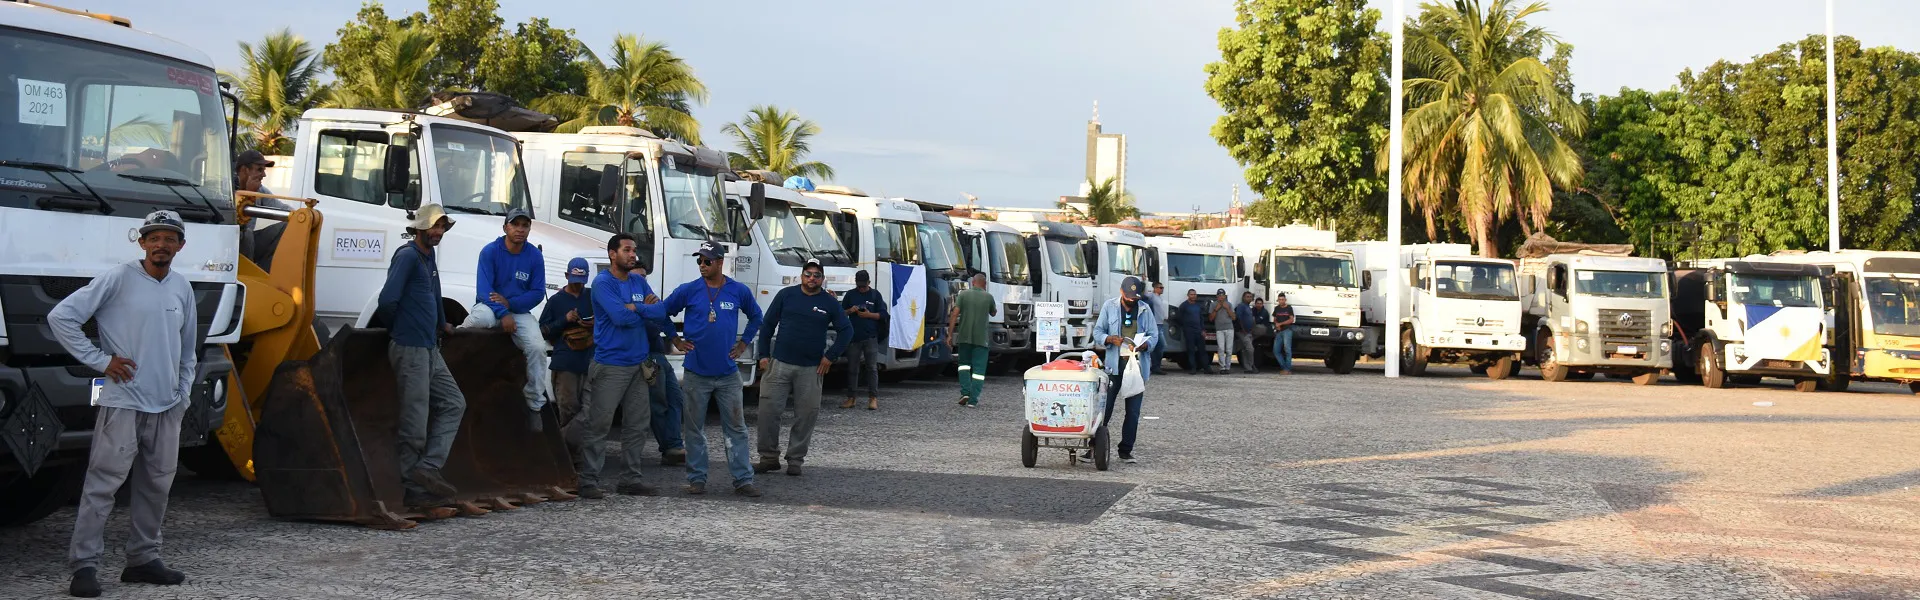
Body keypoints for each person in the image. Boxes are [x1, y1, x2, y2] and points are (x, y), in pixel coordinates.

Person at [49, 210, 200, 597]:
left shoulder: (182, 287)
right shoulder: (118, 278)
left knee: (156, 486)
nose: (161, 245)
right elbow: (62, 316)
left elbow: (188, 350)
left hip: (167, 406)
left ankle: (143, 560)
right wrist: (102, 361)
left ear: (180, 245)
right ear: (142, 243)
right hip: (124, 401)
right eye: (154, 238)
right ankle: (84, 566)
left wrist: (182, 394)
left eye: (169, 238)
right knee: (102, 486)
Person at [651, 241, 765, 497]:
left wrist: (744, 343)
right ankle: (697, 478)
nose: (702, 265)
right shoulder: (688, 290)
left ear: (720, 262)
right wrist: (675, 339)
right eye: (699, 261)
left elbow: (757, 316)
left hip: (727, 374)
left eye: (707, 261)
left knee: (736, 428)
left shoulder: (738, 291)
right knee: (693, 429)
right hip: (696, 373)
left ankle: (743, 480)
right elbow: (662, 313)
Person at [374, 205, 466, 509]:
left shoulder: (428, 258)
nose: (438, 233)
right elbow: (387, 300)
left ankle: (427, 469)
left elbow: (434, 292)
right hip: (411, 347)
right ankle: (412, 489)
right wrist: (400, 330)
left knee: (454, 403)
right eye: (434, 227)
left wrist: (442, 323)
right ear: (420, 229)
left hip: (430, 346)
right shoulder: (407, 256)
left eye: (442, 227)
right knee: (414, 423)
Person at [578, 234, 660, 499]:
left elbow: (658, 310)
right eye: (627, 250)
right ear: (612, 254)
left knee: (637, 426)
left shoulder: (638, 280)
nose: (632, 254)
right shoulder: (603, 283)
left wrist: (635, 307)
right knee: (599, 424)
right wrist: (641, 309)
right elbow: (619, 317)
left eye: (634, 250)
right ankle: (588, 480)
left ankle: (630, 479)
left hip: (638, 364)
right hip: (610, 365)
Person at [755, 260, 853, 476]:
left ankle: (795, 460)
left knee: (806, 415)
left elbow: (846, 331)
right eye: (808, 274)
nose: (812, 279)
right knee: (768, 412)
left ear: (822, 278)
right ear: (801, 276)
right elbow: (768, 325)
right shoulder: (786, 295)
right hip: (779, 364)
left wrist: (830, 356)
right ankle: (768, 457)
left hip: (812, 368)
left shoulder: (829, 302)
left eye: (816, 275)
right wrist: (763, 355)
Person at [458, 208, 550, 431]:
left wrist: (511, 305)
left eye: (524, 225)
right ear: (505, 227)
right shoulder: (490, 251)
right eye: (515, 224)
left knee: (538, 347)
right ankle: (452, 343)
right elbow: (483, 291)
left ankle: (534, 405)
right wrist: (503, 312)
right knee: (478, 321)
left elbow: (538, 292)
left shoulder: (534, 256)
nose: (520, 229)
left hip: (516, 310)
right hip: (491, 306)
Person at [1089, 277, 1158, 465]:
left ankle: (1126, 450)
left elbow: (1154, 334)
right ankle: (1093, 447)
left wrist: (1146, 345)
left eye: (1135, 298)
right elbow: (1097, 332)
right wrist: (1110, 339)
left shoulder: (1145, 308)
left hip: (1136, 366)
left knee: (1133, 411)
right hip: (1114, 365)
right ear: (1121, 292)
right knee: (1105, 408)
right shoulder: (1109, 306)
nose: (1131, 301)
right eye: (1128, 297)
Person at [539, 258, 595, 469]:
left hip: (590, 359)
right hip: (565, 362)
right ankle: (571, 458)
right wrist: (565, 319)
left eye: (581, 280)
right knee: (569, 410)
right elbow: (543, 330)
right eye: (574, 279)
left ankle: (556, 447)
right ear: (566, 276)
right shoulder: (555, 301)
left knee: (590, 410)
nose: (578, 284)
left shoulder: (591, 296)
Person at [633, 262, 687, 466]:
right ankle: (669, 447)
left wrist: (675, 339)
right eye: (637, 276)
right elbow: (647, 328)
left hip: (658, 354)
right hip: (645, 355)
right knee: (658, 401)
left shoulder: (649, 298)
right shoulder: (628, 299)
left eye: (644, 276)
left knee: (676, 398)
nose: (641, 280)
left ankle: (674, 443)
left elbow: (663, 318)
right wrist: (647, 310)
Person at [840, 269, 888, 409]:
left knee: (872, 368)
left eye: (864, 286)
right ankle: (851, 397)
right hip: (854, 337)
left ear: (869, 283)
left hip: (870, 337)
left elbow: (884, 315)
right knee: (852, 368)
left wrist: (869, 315)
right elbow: (841, 313)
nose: (861, 288)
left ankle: (873, 398)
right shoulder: (850, 295)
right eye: (859, 286)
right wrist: (851, 310)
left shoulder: (875, 295)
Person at [233, 150, 290, 266]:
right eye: (259, 169)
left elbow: (282, 208)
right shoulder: (225, 187)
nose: (264, 175)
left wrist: (302, 215)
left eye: (264, 170)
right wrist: (248, 194)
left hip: (248, 243)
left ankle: (262, 273)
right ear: (244, 170)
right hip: (228, 243)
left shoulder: (259, 190)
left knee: (289, 227)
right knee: (247, 234)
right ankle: (246, 275)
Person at [949, 272, 997, 407]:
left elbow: (954, 314)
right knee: (979, 371)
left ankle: (965, 392)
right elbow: (993, 312)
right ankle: (973, 400)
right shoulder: (988, 297)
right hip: (981, 340)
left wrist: (949, 334)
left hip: (964, 338)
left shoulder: (963, 295)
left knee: (963, 366)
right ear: (985, 284)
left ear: (973, 282)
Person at [1175, 289, 1208, 374]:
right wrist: (1185, 326)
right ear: (1188, 295)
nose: (1193, 296)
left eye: (1194, 294)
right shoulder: (1184, 305)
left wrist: (1203, 329)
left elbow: (1201, 318)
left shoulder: (1198, 306)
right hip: (1189, 331)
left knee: (1202, 350)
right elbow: (1178, 317)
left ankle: (1207, 368)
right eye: (1192, 294)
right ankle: (1193, 368)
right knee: (1191, 350)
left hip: (1199, 331)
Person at [1209, 289, 1236, 374]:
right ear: (1217, 296)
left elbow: (1234, 318)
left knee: (1229, 349)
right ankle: (1222, 367)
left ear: (1225, 296)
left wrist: (1227, 309)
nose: (1221, 297)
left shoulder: (1229, 304)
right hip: (1219, 329)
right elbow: (1210, 318)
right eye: (1219, 295)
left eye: (1222, 295)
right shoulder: (1213, 304)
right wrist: (1216, 309)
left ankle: (1227, 367)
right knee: (1221, 348)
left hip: (1229, 328)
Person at [1145, 281, 1169, 375]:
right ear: (1155, 288)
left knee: (1158, 346)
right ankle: (1155, 366)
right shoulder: (1152, 296)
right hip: (1155, 325)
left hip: (1160, 324)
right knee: (1161, 345)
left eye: (1162, 287)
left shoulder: (1159, 298)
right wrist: (1144, 281)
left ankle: (1156, 366)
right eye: (1160, 287)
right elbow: (1145, 295)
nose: (1162, 289)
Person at [1234, 291, 1260, 374]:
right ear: (1243, 297)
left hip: (1248, 332)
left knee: (1245, 350)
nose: (1249, 298)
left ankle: (1248, 368)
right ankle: (1251, 365)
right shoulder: (1241, 306)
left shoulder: (1248, 307)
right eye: (1247, 296)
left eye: (1250, 297)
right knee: (1250, 348)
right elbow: (1238, 318)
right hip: (1242, 332)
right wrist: (1243, 329)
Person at [1271, 293, 1297, 375]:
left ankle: (1287, 369)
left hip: (1287, 330)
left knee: (1287, 350)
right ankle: (1285, 368)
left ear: (1285, 300)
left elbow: (1291, 320)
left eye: (1282, 299)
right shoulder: (1277, 308)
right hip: (1279, 331)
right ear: (1278, 300)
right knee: (1276, 351)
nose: (1281, 301)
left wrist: (1281, 324)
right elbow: (1275, 319)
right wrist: (1276, 324)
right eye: (1279, 299)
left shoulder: (1289, 308)